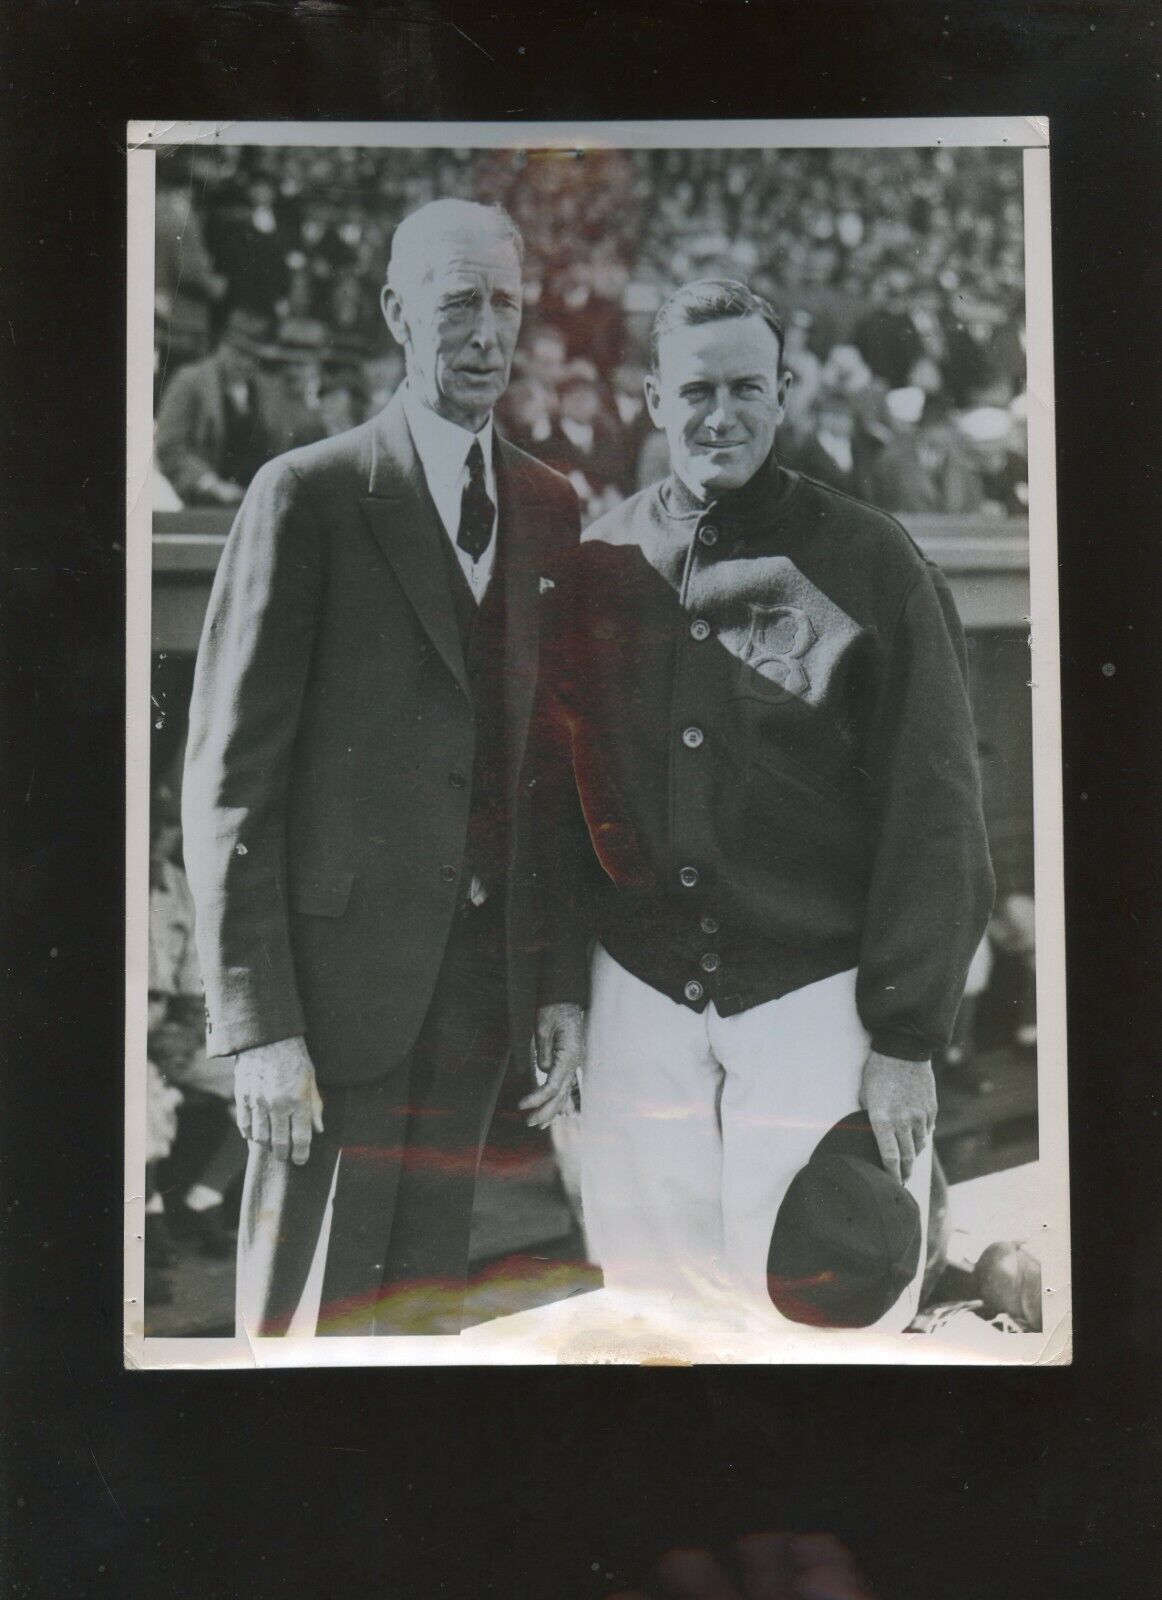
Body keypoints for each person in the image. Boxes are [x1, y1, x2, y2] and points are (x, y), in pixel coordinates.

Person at [532, 279, 994, 1329]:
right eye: (696, 389)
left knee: (832, 1306)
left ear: (784, 391)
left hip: (810, 996)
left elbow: (936, 809)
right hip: (641, 996)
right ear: (652, 396)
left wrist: (909, 1035)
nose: (719, 414)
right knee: (656, 1307)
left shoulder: (871, 559)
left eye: (746, 387)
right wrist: (560, 985)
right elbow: (553, 805)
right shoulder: (596, 565)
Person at [182, 198, 583, 1338]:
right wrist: (259, 1026)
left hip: (473, 1002)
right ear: (397, 314)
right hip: (328, 1009)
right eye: (459, 300)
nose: (485, 330)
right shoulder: (304, 494)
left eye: (505, 303)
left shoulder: (551, 509)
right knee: (313, 1322)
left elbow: (548, 774)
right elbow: (229, 781)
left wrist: (555, 981)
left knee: (419, 1331)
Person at [154, 308, 273, 506]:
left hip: (254, 504)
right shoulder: (188, 381)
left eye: (253, 357)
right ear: (221, 345)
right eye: (238, 353)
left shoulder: (266, 388)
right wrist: (211, 485)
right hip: (198, 505)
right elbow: (170, 447)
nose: (246, 363)